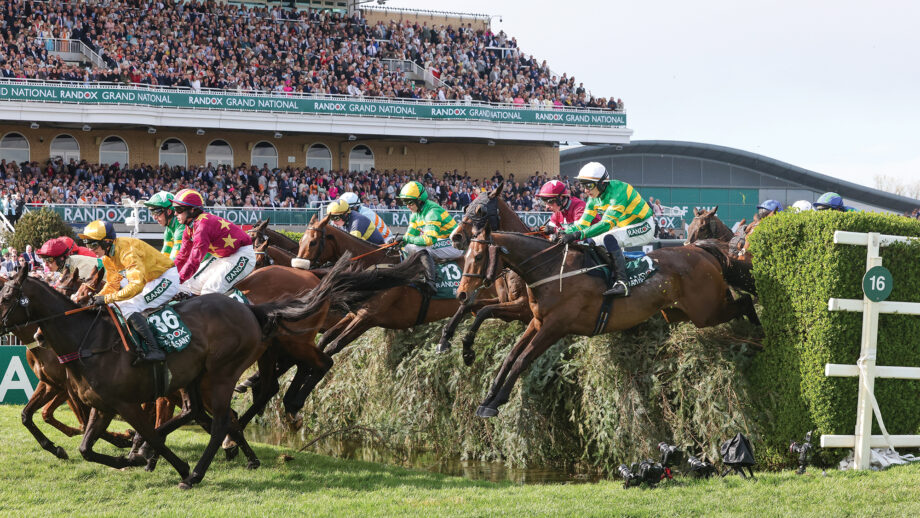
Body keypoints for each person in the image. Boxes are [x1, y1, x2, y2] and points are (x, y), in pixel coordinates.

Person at [78, 220, 177, 364]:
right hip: (150, 281)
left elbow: (136, 285)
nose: (91, 249)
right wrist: (98, 297)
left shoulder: (127, 251)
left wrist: (107, 299)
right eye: (87, 245)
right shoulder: (107, 257)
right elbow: (113, 283)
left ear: (107, 242)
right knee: (114, 304)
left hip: (166, 278)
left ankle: (155, 350)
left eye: (93, 244)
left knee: (127, 306)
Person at [559, 162, 656, 297]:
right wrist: (560, 231)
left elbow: (606, 224)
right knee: (590, 242)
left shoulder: (619, 191)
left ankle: (623, 283)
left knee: (609, 238)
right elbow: (582, 224)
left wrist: (577, 234)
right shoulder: (594, 198)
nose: (585, 190)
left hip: (644, 225)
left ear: (602, 183)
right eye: (583, 185)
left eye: (589, 185)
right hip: (624, 226)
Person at [171, 188, 255, 295]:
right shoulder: (189, 228)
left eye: (178, 210)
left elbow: (195, 259)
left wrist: (178, 279)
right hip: (224, 257)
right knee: (191, 285)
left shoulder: (202, 226)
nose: (175, 214)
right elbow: (182, 256)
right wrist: (169, 275)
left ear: (192, 210)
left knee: (209, 291)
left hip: (242, 254)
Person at [395, 180, 462, 292]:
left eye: (410, 202)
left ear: (419, 201)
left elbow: (429, 240)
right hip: (441, 242)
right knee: (406, 247)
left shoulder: (432, 212)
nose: (407, 206)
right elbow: (409, 236)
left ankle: (431, 281)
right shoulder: (415, 214)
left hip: (456, 245)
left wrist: (407, 239)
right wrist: (398, 242)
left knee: (421, 247)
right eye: (404, 202)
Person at [143, 191, 185, 260]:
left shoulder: (181, 225)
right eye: (152, 213)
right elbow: (164, 256)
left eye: (157, 212)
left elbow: (175, 258)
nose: (154, 217)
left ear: (169, 211)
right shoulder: (168, 230)